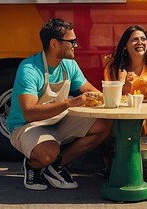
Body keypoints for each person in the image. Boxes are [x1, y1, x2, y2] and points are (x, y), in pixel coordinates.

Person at [7, 18, 112, 190]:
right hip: (27, 126)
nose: (76, 45)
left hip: (58, 121)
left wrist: (116, 95)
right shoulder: (29, 69)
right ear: (54, 43)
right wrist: (70, 103)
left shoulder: (70, 65)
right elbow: (30, 113)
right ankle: (33, 165)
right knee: (48, 152)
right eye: (72, 41)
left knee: (104, 125)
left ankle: (57, 165)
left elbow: (91, 92)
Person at [103, 25, 147, 137]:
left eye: (143, 39)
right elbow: (110, 101)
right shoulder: (114, 69)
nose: (140, 42)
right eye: (134, 39)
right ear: (125, 46)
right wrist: (125, 86)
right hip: (124, 125)